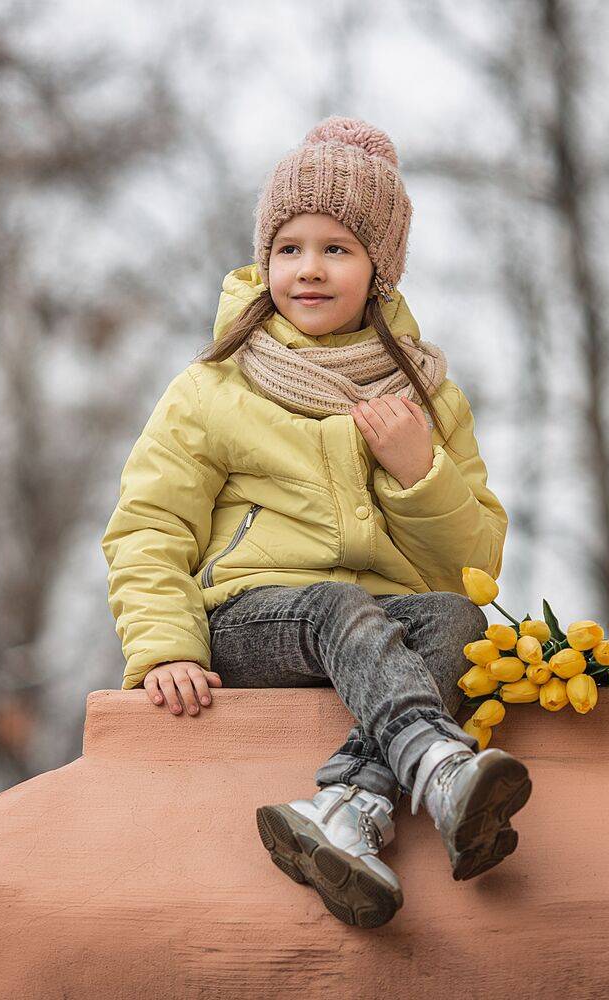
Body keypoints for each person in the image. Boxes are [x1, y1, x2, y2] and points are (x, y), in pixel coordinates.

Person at [100, 116, 531, 929]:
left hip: (378, 628)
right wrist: (165, 645)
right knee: (338, 604)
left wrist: (418, 470)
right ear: (265, 259)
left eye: (337, 248)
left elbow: (477, 563)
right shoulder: (215, 385)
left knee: (455, 619)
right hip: (256, 619)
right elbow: (149, 524)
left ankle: (347, 810)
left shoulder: (428, 396)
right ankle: (438, 766)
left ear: (380, 270)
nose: (309, 269)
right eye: (290, 247)